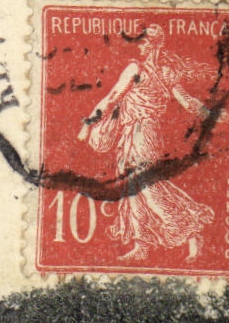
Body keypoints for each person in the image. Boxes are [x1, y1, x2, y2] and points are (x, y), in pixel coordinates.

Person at [79, 24, 216, 261]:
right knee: (132, 187)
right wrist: (210, 114)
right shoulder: (163, 71)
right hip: (133, 133)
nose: (139, 47)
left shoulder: (139, 69)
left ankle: (191, 230)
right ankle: (141, 245)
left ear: (153, 45)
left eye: (142, 42)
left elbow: (112, 98)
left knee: (147, 186)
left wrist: (87, 125)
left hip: (143, 133)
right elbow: (186, 101)